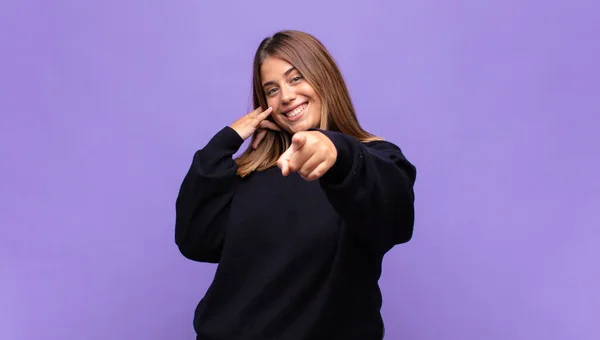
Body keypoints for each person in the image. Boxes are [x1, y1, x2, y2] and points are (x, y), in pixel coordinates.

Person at [175, 30, 417, 340]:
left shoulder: (374, 159)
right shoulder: (253, 171)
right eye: (272, 89)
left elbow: (395, 219)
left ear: (324, 77)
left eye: (296, 78)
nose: (286, 96)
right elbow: (196, 241)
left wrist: (337, 151)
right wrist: (225, 141)